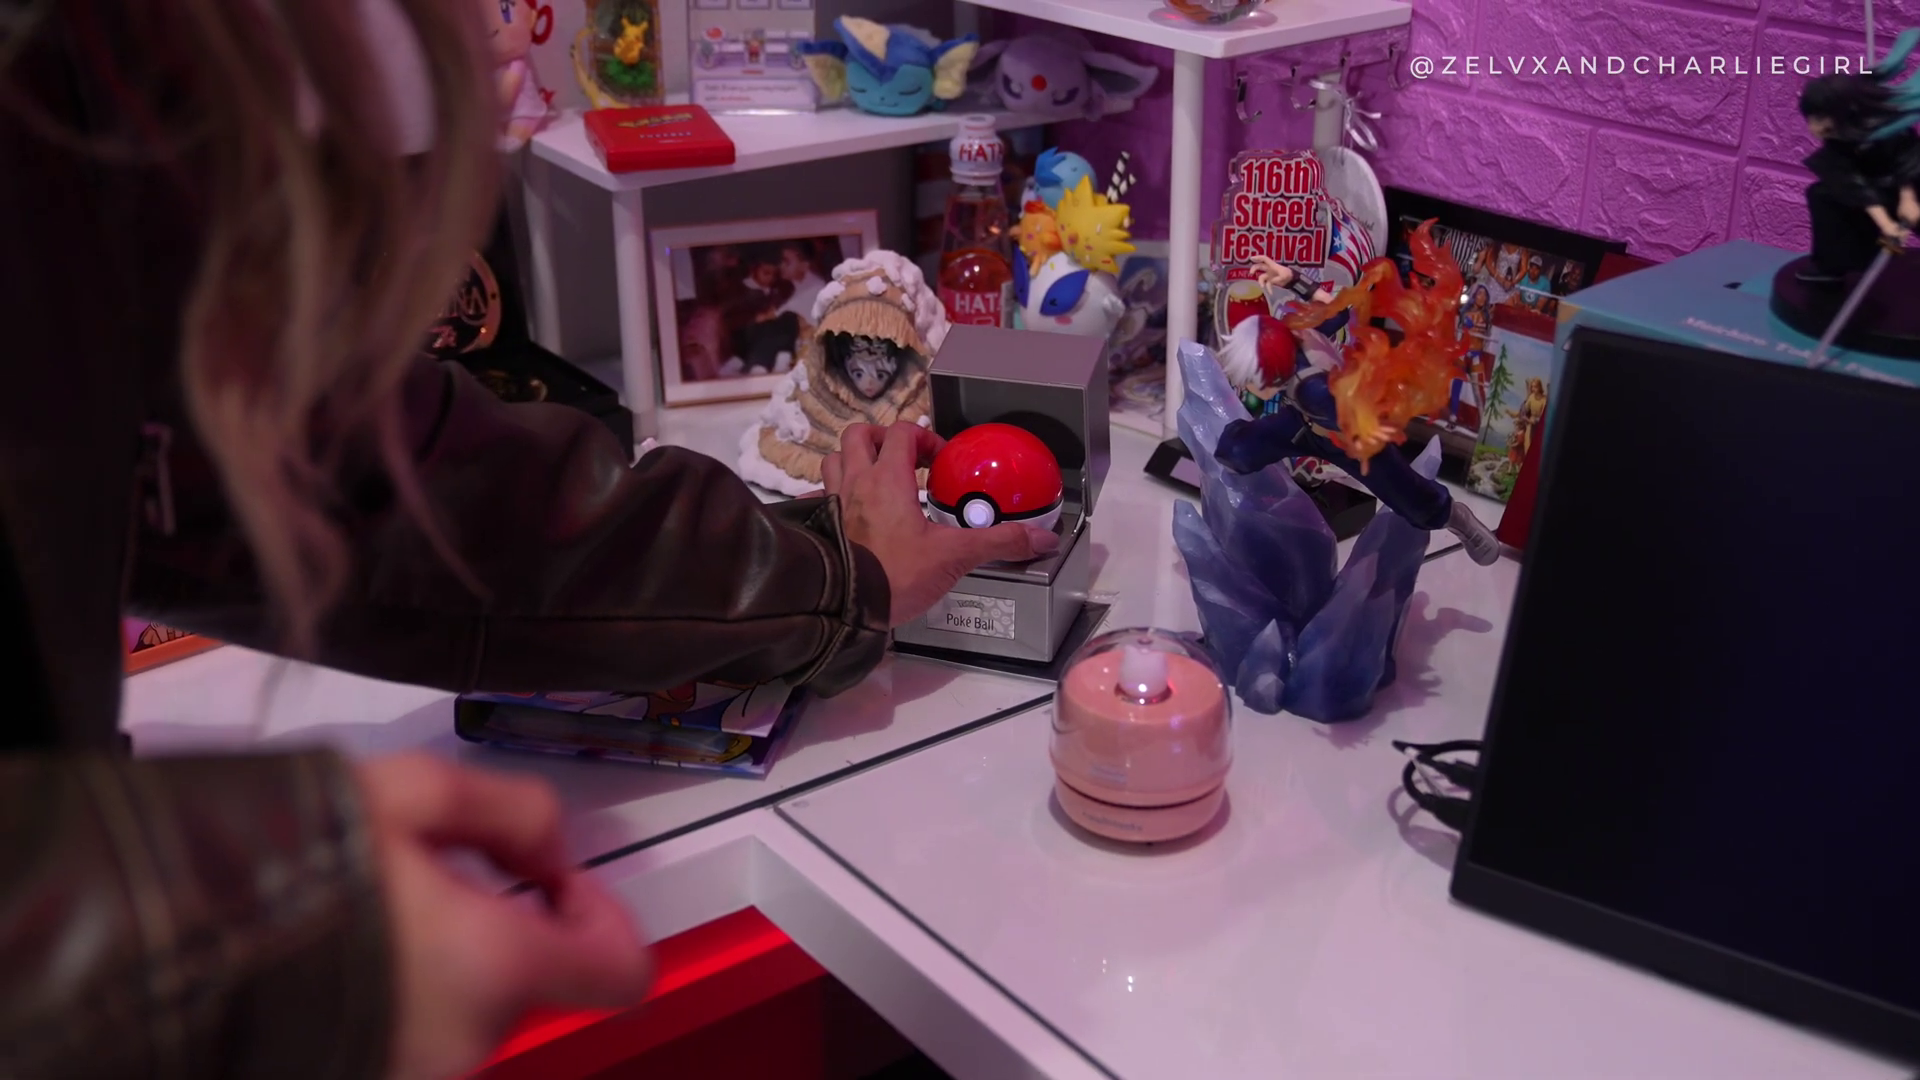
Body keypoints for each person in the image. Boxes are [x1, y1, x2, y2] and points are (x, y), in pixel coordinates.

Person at [0, 3, 1055, 1078]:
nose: (504, 37)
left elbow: (407, 487)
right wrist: (269, 904)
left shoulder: (99, 139)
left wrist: (834, 575)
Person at [1795, 28, 1920, 284]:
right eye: (1811, 118)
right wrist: (1886, 225)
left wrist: (1909, 198)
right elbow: (1852, 183)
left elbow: (1908, 158)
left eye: (1820, 118)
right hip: (1876, 190)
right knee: (1822, 195)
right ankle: (1831, 265)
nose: (1814, 128)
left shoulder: (1887, 127)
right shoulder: (1837, 141)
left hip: (1911, 182)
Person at [777, 240, 831, 320]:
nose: (781, 265)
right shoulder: (790, 288)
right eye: (781, 261)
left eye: (787, 262)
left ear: (804, 265)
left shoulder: (816, 288)